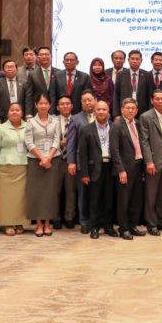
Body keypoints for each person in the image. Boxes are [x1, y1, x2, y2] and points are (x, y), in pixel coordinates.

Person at [25, 94, 63, 237]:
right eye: (40, 103)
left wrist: (49, 158)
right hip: (35, 160)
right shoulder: (30, 122)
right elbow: (29, 142)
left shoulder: (55, 121)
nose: (43, 106)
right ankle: (39, 224)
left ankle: (47, 223)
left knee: (50, 193)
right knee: (36, 193)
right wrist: (42, 158)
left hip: (53, 159)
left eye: (46, 103)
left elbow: (56, 140)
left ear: (50, 105)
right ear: (36, 105)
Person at [77, 101, 117, 239]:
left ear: (108, 111)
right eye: (98, 109)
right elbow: (82, 154)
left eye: (104, 109)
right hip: (94, 168)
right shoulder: (86, 129)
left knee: (109, 199)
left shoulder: (114, 127)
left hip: (111, 167)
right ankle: (94, 227)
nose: (101, 112)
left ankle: (108, 226)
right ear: (94, 112)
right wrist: (84, 173)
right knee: (95, 200)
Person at [0, 103, 29, 236]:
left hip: (23, 167)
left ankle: (19, 222)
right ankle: (7, 223)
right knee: (5, 198)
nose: (15, 112)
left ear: (22, 113)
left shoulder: (28, 127)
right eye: (12, 110)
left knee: (21, 198)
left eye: (17, 110)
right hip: (5, 168)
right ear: (7, 113)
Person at [140, 90, 162, 235]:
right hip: (153, 160)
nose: (160, 101)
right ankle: (151, 223)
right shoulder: (145, 116)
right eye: (157, 99)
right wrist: (149, 161)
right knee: (151, 194)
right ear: (152, 101)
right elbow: (144, 141)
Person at [111, 98, 147, 240]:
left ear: (137, 110)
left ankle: (132, 226)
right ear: (122, 110)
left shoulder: (137, 123)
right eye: (128, 108)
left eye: (133, 108)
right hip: (125, 169)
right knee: (123, 201)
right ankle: (124, 228)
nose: (130, 110)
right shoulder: (117, 125)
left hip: (138, 166)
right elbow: (114, 150)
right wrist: (121, 170)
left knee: (136, 200)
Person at [65, 90, 96, 233]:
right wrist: (71, 162)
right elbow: (71, 142)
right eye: (84, 101)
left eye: (90, 100)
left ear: (95, 100)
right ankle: (84, 221)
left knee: (97, 193)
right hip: (81, 162)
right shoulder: (76, 119)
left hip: (99, 162)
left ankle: (96, 220)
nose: (87, 103)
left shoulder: (103, 115)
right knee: (83, 194)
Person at [53, 95, 76, 230]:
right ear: (57, 107)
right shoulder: (52, 121)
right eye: (62, 104)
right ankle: (55, 217)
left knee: (70, 190)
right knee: (55, 190)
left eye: (67, 103)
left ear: (72, 106)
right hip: (56, 159)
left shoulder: (77, 120)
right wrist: (59, 144)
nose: (65, 106)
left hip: (71, 160)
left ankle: (69, 217)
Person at [23, 46, 60, 118]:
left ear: (51, 56)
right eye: (42, 54)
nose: (44, 56)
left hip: (55, 111)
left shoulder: (59, 73)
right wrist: (28, 113)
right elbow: (29, 95)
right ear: (38, 57)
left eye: (46, 54)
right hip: (38, 111)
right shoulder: (32, 74)